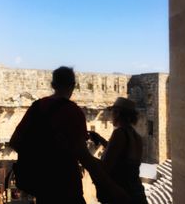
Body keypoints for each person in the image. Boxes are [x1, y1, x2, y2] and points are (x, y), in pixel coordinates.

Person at [10, 66, 130, 204]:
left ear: (52, 85)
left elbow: (15, 142)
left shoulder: (36, 107)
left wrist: (40, 156)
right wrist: (113, 188)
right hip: (66, 183)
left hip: (42, 186)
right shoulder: (73, 111)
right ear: (73, 86)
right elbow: (84, 156)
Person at [89, 97, 148, 204]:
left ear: (117, 113)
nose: (111, 115)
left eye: (112, 112)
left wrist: (83, 153)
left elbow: (105, 166)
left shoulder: (119, 133)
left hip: (122, 193)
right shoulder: (136, 137)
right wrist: (101, 139)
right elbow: (123, 156)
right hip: (136, 191)